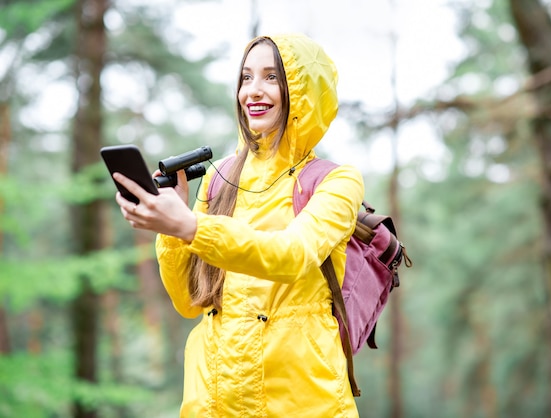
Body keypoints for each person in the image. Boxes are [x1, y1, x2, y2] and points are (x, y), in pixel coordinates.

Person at [113, 33, 364, 417]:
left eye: (271, 77)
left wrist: (191, 227)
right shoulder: (221, 179)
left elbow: (290, 256)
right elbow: (188, 301)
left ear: (303, 90)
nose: (253, 91)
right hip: (213, 403)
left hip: (304, 403)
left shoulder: (337, 181)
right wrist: (172, 228)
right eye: (246, 77)